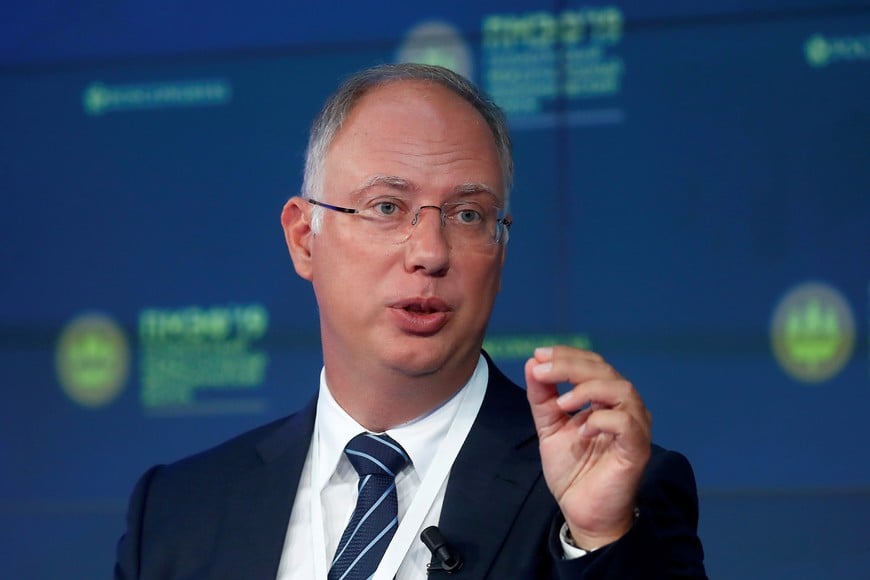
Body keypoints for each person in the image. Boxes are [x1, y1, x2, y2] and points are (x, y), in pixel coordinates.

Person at [115, 63, 706, 579]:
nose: (430, 251)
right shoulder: (177, 512)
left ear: (499, 251)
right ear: (303, 239)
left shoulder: (612, 495)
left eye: (468, 214)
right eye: (387, 207)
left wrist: (600, 541)